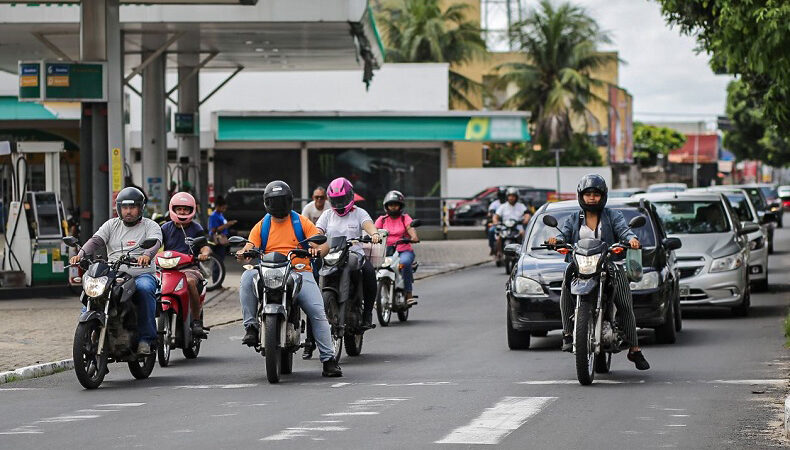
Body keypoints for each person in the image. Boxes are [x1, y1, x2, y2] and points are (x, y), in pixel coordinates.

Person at [235, 180, 342, 377]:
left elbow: (323, 243)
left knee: (317, 312)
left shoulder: (301, 222)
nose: (278, 205)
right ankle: (251, 327)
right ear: (267, 202)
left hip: (299, 271)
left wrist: (317, 250)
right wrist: (244, 253)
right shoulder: (262, 225)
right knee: (247, 277)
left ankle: (328, 360)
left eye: (281, 201)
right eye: (274, 201)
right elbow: (250, 246)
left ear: (289, 201)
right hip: (268, 271)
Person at [546, 174, 649, 370]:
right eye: (588, 194)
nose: (592, 198)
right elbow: (563, 234)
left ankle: (635, 349)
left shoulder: (612, 215)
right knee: (565, 292)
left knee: (625, 302)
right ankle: (568, 334)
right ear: (581, 196)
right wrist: (555, 241)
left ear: (603, 196)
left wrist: (632, 239)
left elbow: (624, 231)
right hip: (580, 265)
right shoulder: (574, 218)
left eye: (596, 194)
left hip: (608, 263)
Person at [69, 187, 162, 356]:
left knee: (145, 289)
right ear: (119, 208)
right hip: (114, 273)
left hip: (141, 273)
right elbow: (96, 240)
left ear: (141, 208)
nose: (128, 211)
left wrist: (147, 255)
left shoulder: (150, 225)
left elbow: (155, 242)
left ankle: (146, 339)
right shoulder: (111, 224)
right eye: (125, 207)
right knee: (94, 294)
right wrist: (81, 253)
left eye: (132, 207)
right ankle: (88, 334)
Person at [316, 177, 382, 329]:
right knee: (314, 270)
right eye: (336, 200)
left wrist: (374, 234)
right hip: (332, 255)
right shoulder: (327, 215)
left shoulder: (359, 213)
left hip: (354, 255)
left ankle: (367, 313)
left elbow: (368, 225)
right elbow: (318, 230)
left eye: (342, 199)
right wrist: (314, 236)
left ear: (350, 196)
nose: (339, 203)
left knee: (369, 272)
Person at [161, 192, 212, 336]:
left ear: (191, 210)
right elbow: (155, 245)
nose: (182, 212)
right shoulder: (165, 228)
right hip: (167, 269)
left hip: (189, 268)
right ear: (173, 209)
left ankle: (196, 321)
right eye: (179, 209)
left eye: (185, 209)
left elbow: (205, 246)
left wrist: (204, 254)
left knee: (189, 282)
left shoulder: (196, 228)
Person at [375, 190, 420, 304]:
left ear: (400, 206)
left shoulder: (405, 218)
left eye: (395, 204)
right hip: (386, 251)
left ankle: (408, 293)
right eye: (391, 205)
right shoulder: (382, 219)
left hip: (403, 250)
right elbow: (374, 231)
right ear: (386, 206)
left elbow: (411, 229)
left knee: (405, 263)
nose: (393, 207)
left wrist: (414, 237)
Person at [300, 187, 327, 360]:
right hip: (307, 255)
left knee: (314, 303)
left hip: (323, 251)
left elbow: (322, 240)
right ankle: (308, 342)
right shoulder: (305, 213)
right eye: (316, 197)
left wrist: (319, 249)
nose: (319, 200)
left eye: (322, 197)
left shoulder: (329, 211)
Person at [208, 195, 237, 263]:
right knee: (218, 258)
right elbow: (213, 229)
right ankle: (216, 273)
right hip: (217, 240)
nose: (224, 210)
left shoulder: (220, 214)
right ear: (218, 206)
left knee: (221, 258)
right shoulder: (213, 216)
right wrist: (227, 224)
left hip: (222, 240)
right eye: (223, 208)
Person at [487, 186, 508, 255]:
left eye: (503, 195)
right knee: (491, 231)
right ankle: (492, 247)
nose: (502, 197)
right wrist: (491, 214)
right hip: (497, 223)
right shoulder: (494, 203)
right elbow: (490, 212)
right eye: (500, 195)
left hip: (508, 223)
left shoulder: (508, 204)